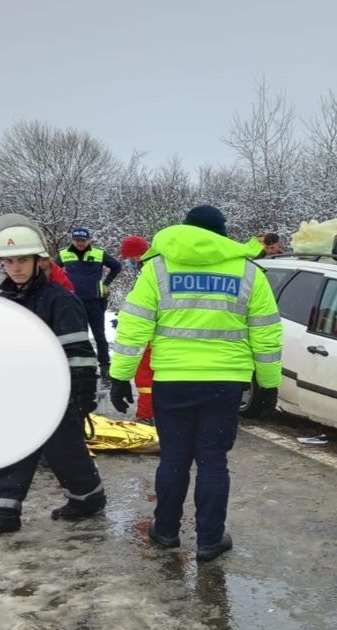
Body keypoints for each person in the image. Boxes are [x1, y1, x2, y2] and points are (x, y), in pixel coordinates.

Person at [108, 205, 283, 561]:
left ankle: (167, 531)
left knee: (173, 457)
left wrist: (120, 375)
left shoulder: (157, 268)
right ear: (221, 233)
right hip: (225, 381)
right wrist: (268, 384)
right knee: (213, 461)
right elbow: (266, 333)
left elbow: (134, 325)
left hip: (173, 380)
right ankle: (209, 540)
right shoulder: (248, 271)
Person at [0, 218, 106, 540]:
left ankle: (88, 499)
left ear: (38, 261)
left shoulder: (59, 300)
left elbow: (79, 350)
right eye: (9, 261)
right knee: (13, 447)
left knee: (65, 450)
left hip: (56, 389)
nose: (15, 267)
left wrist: (83, 390)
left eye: (22, 260)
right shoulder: (5, 302)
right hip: (19, 390)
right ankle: (1, 514)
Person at [56, 227, 122, 380]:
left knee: (99, 335)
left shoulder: (98, 253)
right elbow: (52, 271)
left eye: (83, 240)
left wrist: (106, 283)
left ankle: (105, 366)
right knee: (81, 337)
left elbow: (116, 266)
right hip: (74, 302)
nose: (80, 243)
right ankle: (85, 367)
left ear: (89, 240)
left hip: (95, 301)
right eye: (77, 240)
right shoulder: (64, 254)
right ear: (72, 240)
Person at [118, 234, 154, 423]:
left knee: (145, 380)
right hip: (160, 335)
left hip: (149, 336)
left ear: (136, 256)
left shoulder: (149, 272)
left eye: (129, 258)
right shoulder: (157, 268)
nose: (129, 262)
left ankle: (146, 415)